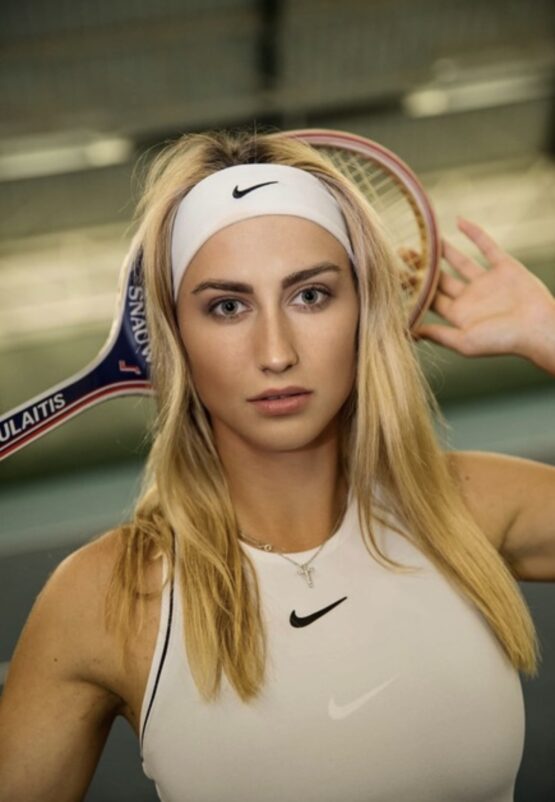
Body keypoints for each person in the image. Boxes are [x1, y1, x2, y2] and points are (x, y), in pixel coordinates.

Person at [0, 129, 554, 802]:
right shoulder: (102, 599)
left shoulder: (466, 506)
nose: (275, 352)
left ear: (364, 308)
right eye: (227, 306)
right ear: (176, 336)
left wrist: (548, 335)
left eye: (310, 296)